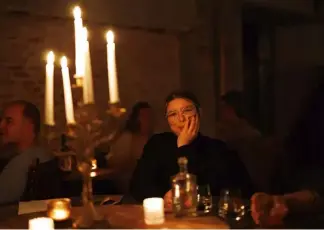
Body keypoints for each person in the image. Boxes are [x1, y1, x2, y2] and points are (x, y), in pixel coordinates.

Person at [129, 90, 253, 205]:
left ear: (199, 113)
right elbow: (138, 186)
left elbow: (222, 191)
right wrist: (163, 196)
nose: (181, 118)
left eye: (187, 111)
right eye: (173, 114)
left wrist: (184, 148)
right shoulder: (156, 144)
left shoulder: (218, 148)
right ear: (168, 120)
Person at [0, 100, 57, 204]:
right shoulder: (38, 155)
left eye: (9, 121)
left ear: (29, 126)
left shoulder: (23, 164)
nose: (1, 126)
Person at [107, 101, 154, 193]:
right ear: (136, 119)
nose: (147, 120)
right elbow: (114, 162)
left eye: (149, 116)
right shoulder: (127, 138)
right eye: (143, 116)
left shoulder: (156, 138)